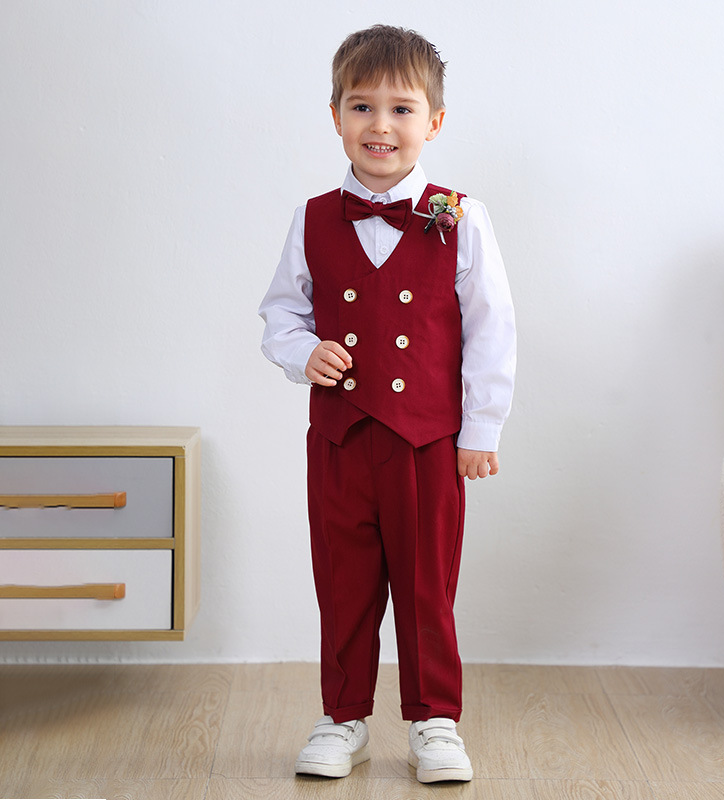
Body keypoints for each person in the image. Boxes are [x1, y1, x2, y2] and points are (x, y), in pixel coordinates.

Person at [258, 24, 516, 784]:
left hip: (429, 443)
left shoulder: (460, 218)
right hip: (339, 442)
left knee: (426, 588)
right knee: (343, 585)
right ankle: (343, 720)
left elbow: (493, 328)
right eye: (362, 106)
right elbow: (280, 314)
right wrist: (304, 352)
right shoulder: (312, 220)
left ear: (433, 122)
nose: (381, 126)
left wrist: (482, 427)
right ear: (335, 115)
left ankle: (436, 720)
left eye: (401, 109)